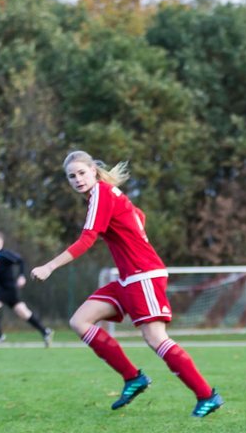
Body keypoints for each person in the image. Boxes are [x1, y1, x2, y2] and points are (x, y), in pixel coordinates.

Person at [30, 151, 223, 417]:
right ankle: (133, 378)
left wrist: (49, 266)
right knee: (80, 321)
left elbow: (87, 239)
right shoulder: (107, 194)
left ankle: (207, 395)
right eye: (71, 176)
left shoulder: (100, 193)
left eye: (81, 173)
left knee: (155, 338)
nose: (77, 179)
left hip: (143, 274)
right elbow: (139, 216)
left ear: (94, 171)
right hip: (128, 278)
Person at [0, 231, 52, 347]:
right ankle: (45, 331)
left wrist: (21, 276)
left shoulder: (5, 254)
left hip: (9, 288)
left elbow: (20, 261)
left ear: (1, 241)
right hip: (7, 289)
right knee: (23, 313)